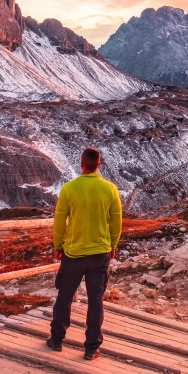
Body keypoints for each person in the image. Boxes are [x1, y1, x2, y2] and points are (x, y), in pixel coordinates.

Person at [47, 147, 122, 360]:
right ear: (99, 164)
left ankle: (57, 339)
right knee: (95, 300)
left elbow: (59, 220)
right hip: (100, 252)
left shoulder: (69, 189)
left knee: (64, 296)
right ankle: (91, 348)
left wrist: (58, 245)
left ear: (81, 164)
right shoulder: (110, 189)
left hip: (73, 253)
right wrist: (113, 244)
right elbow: (117, 220)